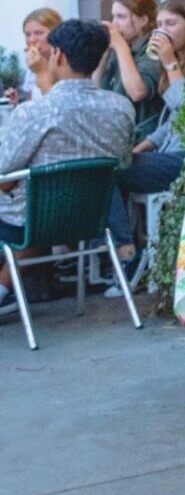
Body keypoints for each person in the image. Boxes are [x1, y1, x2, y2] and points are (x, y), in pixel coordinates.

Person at [0, 19, 135, 315]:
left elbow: (3, 171)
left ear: (57, 55)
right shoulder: (121, 107)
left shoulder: (35, 112)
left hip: (29, 219)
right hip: (91, 218)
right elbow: (123, 163)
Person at [106, 0, 185, 267]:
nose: (163, 31)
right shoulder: (181, 59)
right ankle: (125, 249)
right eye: (159, 24)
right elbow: (174, 120)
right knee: (110, 166)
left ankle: (128, 255)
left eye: (171, 23)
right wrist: (144, 144)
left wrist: (170, 65)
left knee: (108, 171)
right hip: (169, 152)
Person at [99, 0, 164, 141]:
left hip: (142, 137)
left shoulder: (154, 48)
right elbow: (95, 86)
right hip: (113, 132)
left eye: (121, 17)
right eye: (113, 16)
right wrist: (104, 52)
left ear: (143, 20)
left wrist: (120, 47)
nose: (115, 23)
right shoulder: (120, 46)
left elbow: (137, 92)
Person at [4, 8, 61, 105]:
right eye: (27, 34)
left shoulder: (66, 64)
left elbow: (59, 106)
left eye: (39, 33)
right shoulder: (33, 64)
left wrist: (41, 73)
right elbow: (33, 105)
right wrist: (16, 104)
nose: (32, 40)